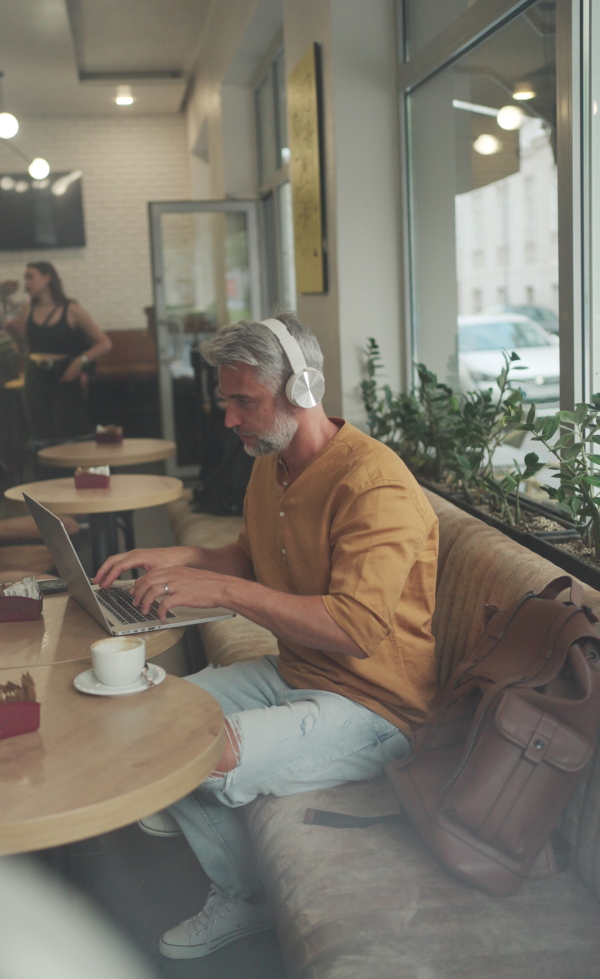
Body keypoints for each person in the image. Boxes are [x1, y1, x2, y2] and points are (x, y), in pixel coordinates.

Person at [94, 312, 440, 960]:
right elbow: (251, 560)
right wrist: (177, 558)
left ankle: (242, 894)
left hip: (379, 704)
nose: (228, 417)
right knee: (155, 714)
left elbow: (356, 628)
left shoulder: (375, 483)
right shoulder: (272, 465)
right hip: (301, 671)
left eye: (242, 400)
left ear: (301, 390)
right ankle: (230, 858)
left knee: (197, 755)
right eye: (227, 399)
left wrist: (222, 592)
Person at [5, 261, 111, 440]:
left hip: (63, 373)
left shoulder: (72, 310)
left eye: (30, 277)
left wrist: (80, 362)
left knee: (66, 430)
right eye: (25, 278)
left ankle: (67, 468)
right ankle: (44, 468)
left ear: (47, 278)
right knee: (39, 431)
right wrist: (13, 333)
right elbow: (25, 347)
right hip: (35, 374)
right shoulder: (27, 309)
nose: (26, 283)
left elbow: (104, 343)